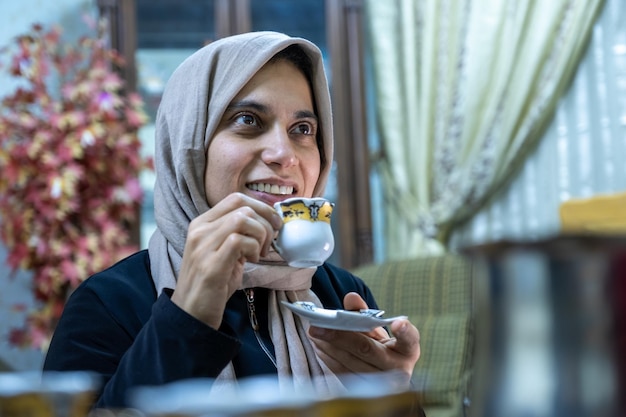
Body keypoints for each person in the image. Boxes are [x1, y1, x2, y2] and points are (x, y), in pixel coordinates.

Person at [43, 31, 421, 409]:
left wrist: (394, 398)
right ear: (189, 144)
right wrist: (187, 315)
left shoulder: (340, 297)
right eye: (248, 120)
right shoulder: (108, 303)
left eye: (302, 130)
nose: (283, 154)